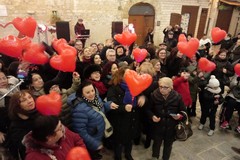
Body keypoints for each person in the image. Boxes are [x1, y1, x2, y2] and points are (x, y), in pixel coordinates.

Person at [68, 80, 118, 160]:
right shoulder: (79, 109)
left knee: (96, 152)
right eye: (87, 92)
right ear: (82, 94)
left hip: (98, 134)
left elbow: (100, 108)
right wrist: (94, 144)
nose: (91, 94)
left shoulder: (96, 98)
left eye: (92, 90)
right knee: (91, 154)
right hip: (91, 140)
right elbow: (80, 132)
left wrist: (108, 105)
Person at [107, 66, 145, 160]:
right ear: (121, 75)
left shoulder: (134, 86)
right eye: (127, 74)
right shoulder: (114, 88)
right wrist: (124, 108)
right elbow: (112, 104)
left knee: (129, 140)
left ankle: (128, 154)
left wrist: (143, 97)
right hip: (120, 121)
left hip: (132, 119)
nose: (130, 76)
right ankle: (118, 156)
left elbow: (140, 96)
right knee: (119, 142)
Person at [146, 77, 186, 160]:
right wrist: (152, 116)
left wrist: (179, 116)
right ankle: (155, 157)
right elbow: (148, 109)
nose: (162, 89)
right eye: (160, 87)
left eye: (165, 87)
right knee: (156, 144)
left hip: (171, 127)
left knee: (168, 146)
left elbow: (184, 112)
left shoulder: (177, 97)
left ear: (171, 88)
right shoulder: (154, 95)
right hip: (158, 126)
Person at [23, 115, 87, 160]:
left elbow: (77, 139)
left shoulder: (63, 132)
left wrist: (81, 154)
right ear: (49, 137)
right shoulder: (34, 157)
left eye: (61, 125)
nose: (63, 128)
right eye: (59, 128)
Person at [7, 90, 39, 160]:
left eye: (30, 97)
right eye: (24, 100)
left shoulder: (40, 111)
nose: (29, 101)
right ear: (17, 106)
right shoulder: (16, 125)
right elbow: (24, 145)